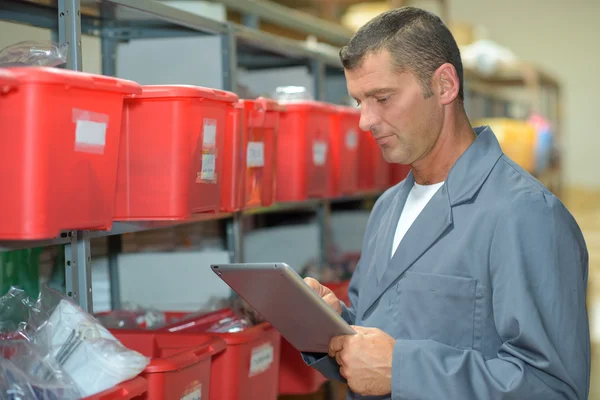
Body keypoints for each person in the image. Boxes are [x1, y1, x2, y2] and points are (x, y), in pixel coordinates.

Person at [303, 6, 590, 400]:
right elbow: (382, 339)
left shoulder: (525, 215)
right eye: (358, 101)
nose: (364, 121)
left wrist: (402, 369)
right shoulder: (387, 208)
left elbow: (552, 388)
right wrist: (334, 324)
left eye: (381, 98)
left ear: (444, 86)